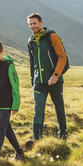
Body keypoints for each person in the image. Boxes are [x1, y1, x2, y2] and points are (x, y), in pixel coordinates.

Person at [26, 13, 68, 149]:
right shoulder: (31, 41)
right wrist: (33, 80)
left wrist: (55, 75)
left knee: (59, 108)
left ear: (41, 23)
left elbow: (62, 57)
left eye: (35, 23)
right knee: (38, 110)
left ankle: (63, 135)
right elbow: (32, 63)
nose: (33, 26)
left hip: (55, 80)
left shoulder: (52, 37)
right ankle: (37, 139)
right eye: (30, 24)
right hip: (39, 82)